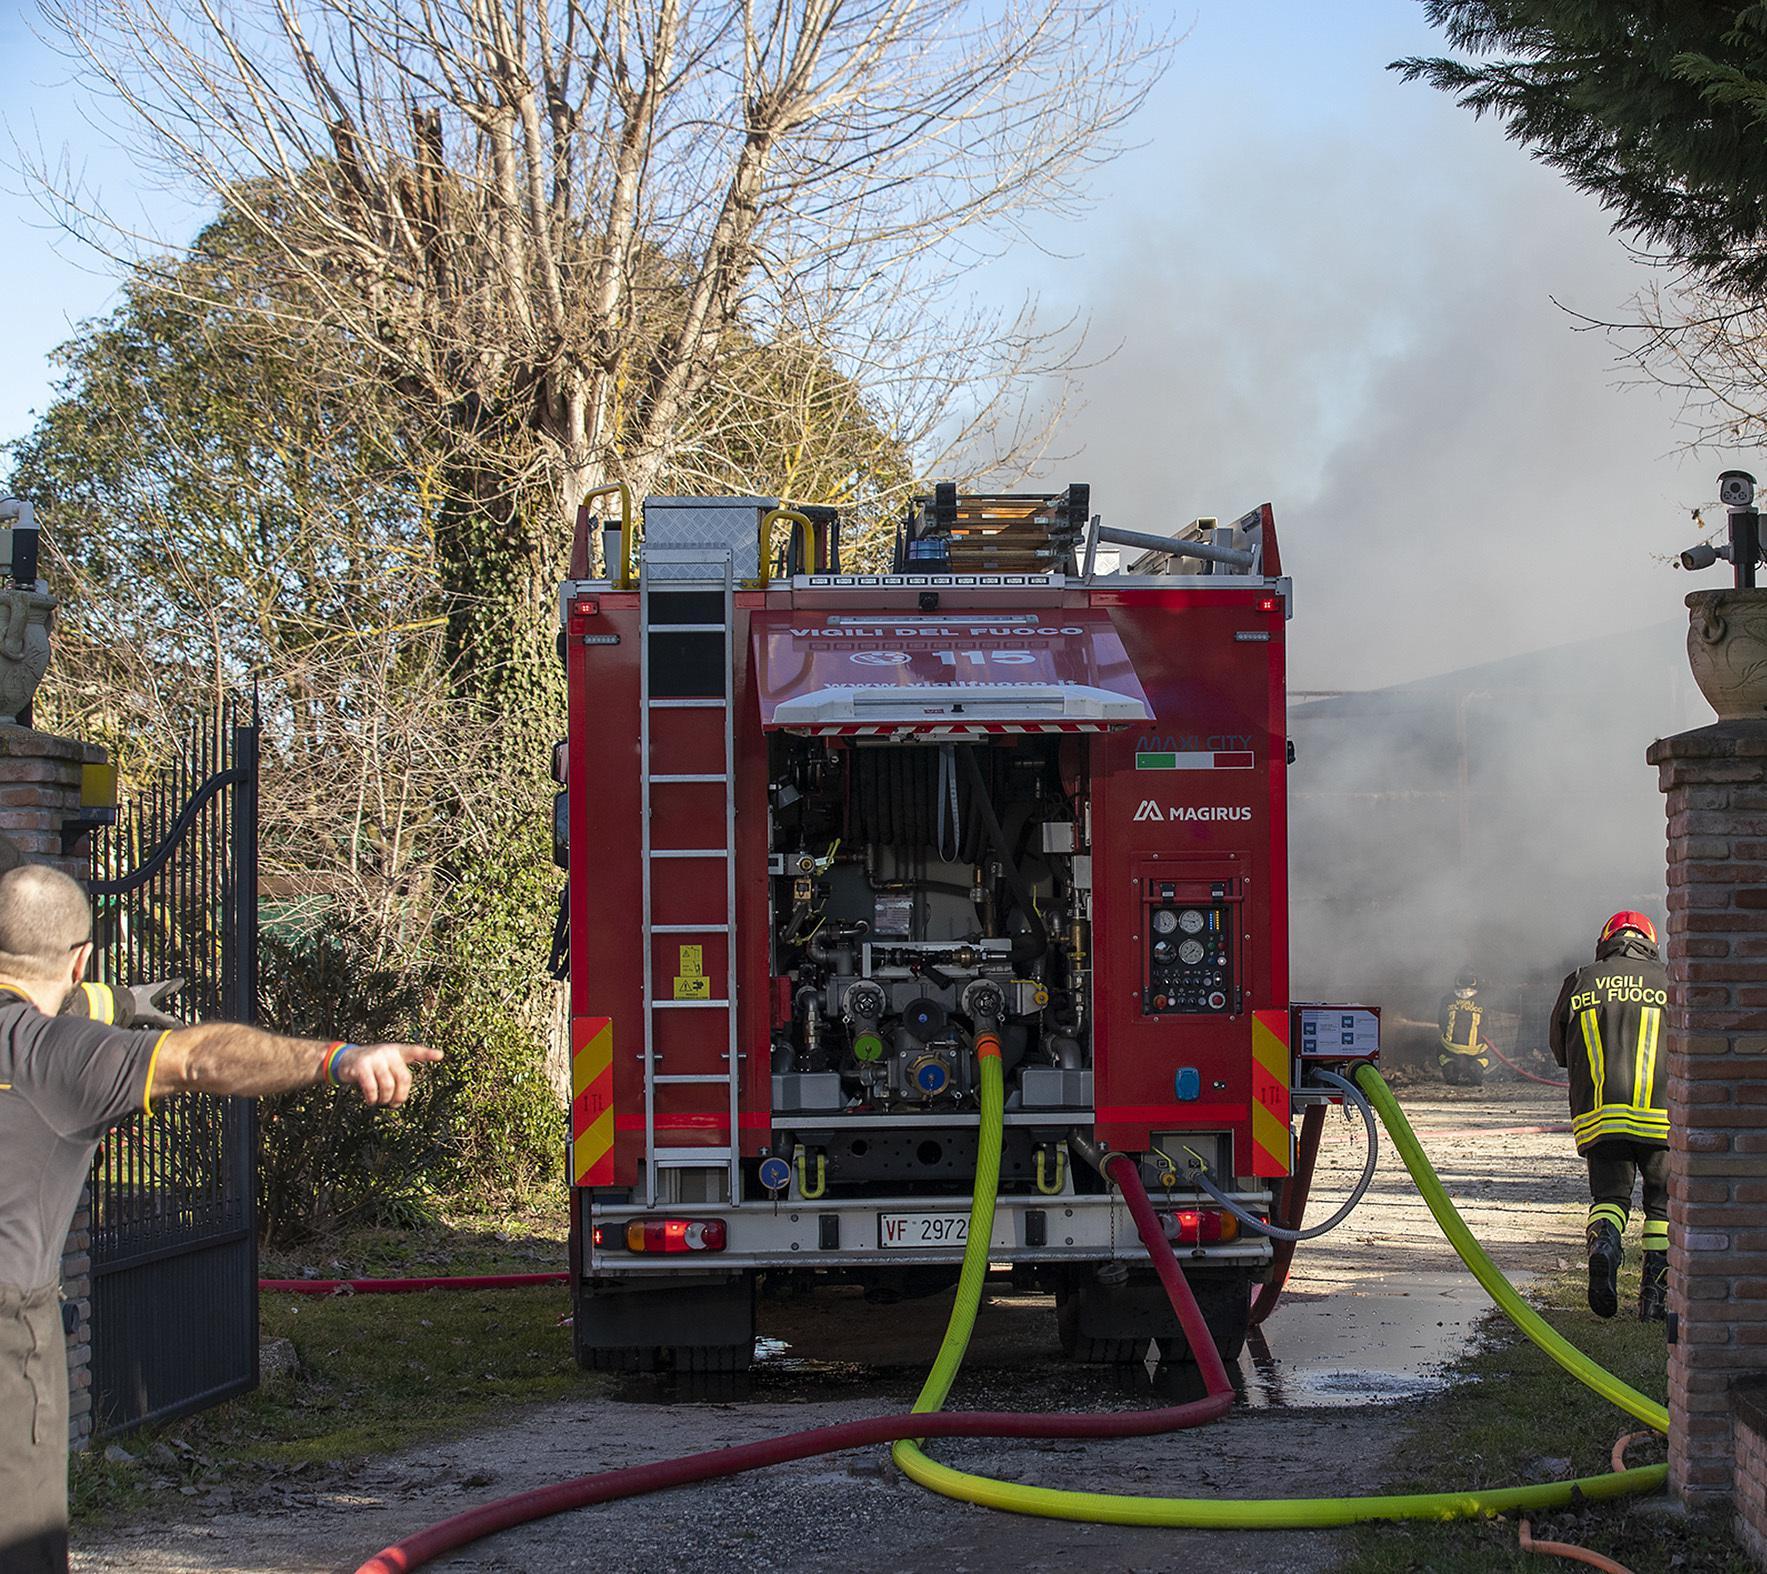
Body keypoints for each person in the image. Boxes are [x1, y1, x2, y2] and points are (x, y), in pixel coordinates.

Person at [0, 864, 440, 1574]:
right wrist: (339, 1056)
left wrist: (114, 1002)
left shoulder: (59, 1032)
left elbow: (61, 1000)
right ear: (81, 955)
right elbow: (202, 1059)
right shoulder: (59, 1056)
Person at [1549, 910, 1669, 1322]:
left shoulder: (1581, 979)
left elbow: (1560, 1052)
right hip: (1662, 1116)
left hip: (1600, 1116)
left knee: (1610, 1198)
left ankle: (1605, 1244)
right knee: (1662, 1206)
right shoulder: (1669, 981)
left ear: (1606, 941)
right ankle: (1654, 1299)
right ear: (1650, 941)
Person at [1437, 969, 1489, 1086]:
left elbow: (1441, 1023)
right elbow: (1486, 1025)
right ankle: (1477, 1065)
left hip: (1450, 1048)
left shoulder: (1447, 999)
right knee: (1486, 1057)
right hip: (1475, 1049)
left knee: (1440, 1050)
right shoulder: (1482, 1001)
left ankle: (1449, 1066)